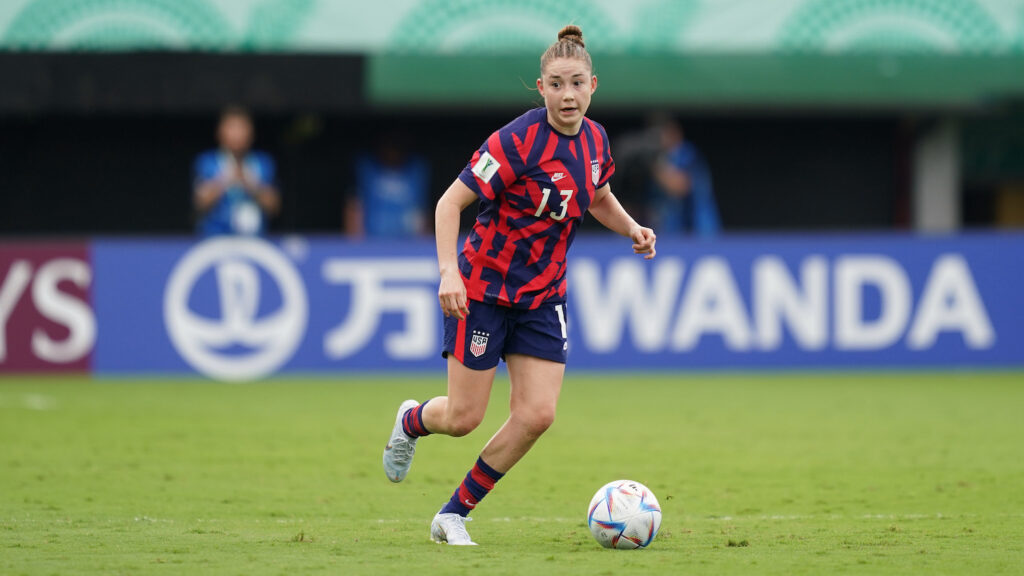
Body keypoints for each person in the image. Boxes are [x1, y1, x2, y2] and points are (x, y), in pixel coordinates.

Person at [381, 25, 657, 546]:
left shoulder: (596, 139)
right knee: (463, 417)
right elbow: (449, 204)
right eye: (556, 84)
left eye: (577, 83)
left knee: (537, 414)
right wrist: (448, 271)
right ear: (541, 87)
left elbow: (596, 194)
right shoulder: (515, 140)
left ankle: (453, 514)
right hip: (484, 291)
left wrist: (631, 228)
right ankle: (413, 420)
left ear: (593, 85)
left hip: (543, 296)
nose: (568, 95)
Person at [193, 106, 280, 236]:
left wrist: (250, 183)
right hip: (215, 238)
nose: (237, 134)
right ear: (220, 132)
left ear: (251, 132)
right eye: (232, 128)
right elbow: (200, 203)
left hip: (254, 239)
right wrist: (226, 179)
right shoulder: (207, 161)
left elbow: (274, 206)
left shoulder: (263, 162)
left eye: (241, 128)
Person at [345, 131, 430, 238]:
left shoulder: (416, 171)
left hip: (407, 242)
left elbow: (422, 212)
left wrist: (422, 242)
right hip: (372, 241)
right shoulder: (366, 169)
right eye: (389, 145)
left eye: (397, 145)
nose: (392, 151)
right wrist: (356, 243)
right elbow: (354, 206)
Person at [648, 117, 720, 236]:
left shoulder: (687, 153)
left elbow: (680, 186)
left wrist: (654, 167)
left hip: (699, 229)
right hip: (670, 230)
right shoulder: (660, 156)